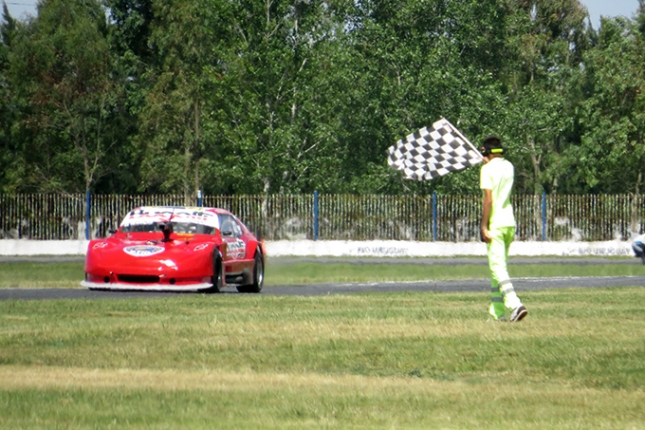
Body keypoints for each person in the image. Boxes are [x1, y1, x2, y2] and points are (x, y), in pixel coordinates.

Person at [479, 135, 527, 322]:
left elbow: (488, 199)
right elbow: (498, 172)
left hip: (496, 224)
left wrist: (484, 226)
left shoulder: (486, 169)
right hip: (509, 223)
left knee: (498, 267)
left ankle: (515, 305)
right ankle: (496, 313)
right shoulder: (509, 166)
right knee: (496, 269)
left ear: (487, 152)